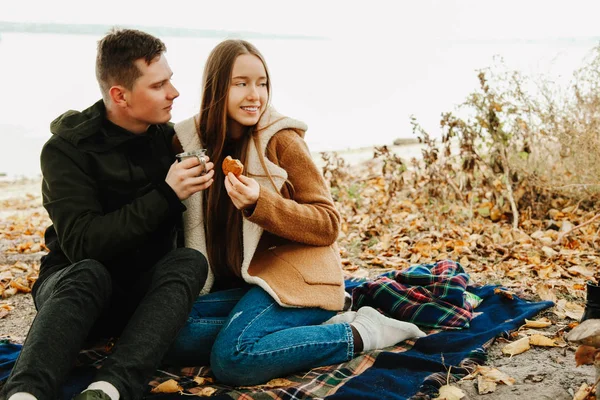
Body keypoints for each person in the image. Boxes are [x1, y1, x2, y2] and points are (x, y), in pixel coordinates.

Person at [166, 39, 426, 386]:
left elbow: (328, 223)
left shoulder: (281, 140)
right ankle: (298, 332)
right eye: (240, 83)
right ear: (217, 88)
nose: (254, 94)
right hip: (248, 283)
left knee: (233, 359)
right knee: (170, 331)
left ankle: (362, 331)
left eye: (262, 83)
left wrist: (262, 203)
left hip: (298, 277)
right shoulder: (188, 146)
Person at [1, 28, 212, 400]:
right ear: (120, 95)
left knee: (189, 262)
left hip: (142, 297)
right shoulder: (66, 149)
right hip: (74, 291)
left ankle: (109, 388)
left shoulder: (170, 140)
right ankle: (24, 393)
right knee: (90, 272)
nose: (174, 93)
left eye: (171, 81)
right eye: (159, 85)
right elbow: (85, 244)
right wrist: (166, 194)